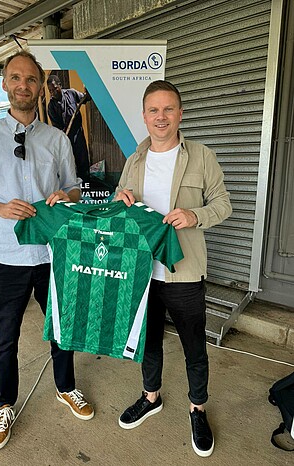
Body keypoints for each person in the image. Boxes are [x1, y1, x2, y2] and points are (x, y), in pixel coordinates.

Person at [0, 50, 94, 452]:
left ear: (39, 86)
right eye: (16, 78)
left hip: (52, 254)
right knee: (5, 336)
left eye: (31, 79)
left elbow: (75, 186)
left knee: (61, 327)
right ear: (4, 83)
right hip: (6, 257)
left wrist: (64, 195)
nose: (23, 85)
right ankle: (4, 404)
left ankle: (66, 387)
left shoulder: (57, 139)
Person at [115, 80, 232, 457]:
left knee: (193, 347)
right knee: (148, 343)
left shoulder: (201, 156)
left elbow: (224, 204)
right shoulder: (134, 160)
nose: (161, 117)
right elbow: (121, 205)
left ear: (180, 114)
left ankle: (197, 408)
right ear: (145, 117)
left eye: (168, 109)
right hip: (143, 273)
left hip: (184, 272)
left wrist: (194, 215)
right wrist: (121, 199)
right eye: (154, 110)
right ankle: (151, 397)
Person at [47, 74, 90, 181]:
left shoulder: (71, 93)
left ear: (60, 86)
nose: (52, 93)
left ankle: (86, 182)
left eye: (55, 89)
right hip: (65, 138)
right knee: (69, 163)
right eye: (50, 90)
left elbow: (84, 98)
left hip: (78, 134)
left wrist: (88, 90)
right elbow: (57, 127)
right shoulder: (51, 106)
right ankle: (74, 185)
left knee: (83, 160)